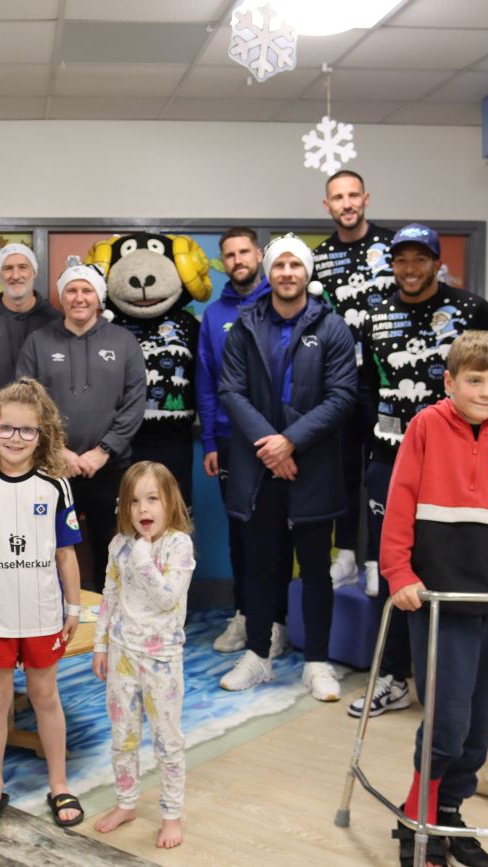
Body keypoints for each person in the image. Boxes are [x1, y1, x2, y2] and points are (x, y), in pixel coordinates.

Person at [381, 330, 488, 867]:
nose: (486, 392)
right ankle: (418, 818)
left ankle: (449, 812)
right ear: (450, 382)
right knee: (447, 721)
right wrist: (398, 572)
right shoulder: (426, 427)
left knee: (479, 724)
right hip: (434, 601)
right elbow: (400, 501)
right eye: (474, 381)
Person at [351, 223, 488, 721]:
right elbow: (362, 390)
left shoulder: (472, 310)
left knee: (455, 564)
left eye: (421, 259)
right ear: (391, 264)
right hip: (388, 461)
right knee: (392, 568)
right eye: (402, 259)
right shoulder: (374, 316)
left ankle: (455, 683)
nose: (411, 268)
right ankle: (394, 678)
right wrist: (370, 452)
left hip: (456, 465)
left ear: (437, 263)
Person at [217, 234, 356, 701]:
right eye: (280, 265)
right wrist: (272, 448)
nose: (288, 273)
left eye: (296, 265)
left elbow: (342, 396)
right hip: (260, 470)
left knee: (315, 568)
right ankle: (258, 655)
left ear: (307, 272)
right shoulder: (243, 326)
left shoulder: (332, 328)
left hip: (312, 467)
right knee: (260, 566)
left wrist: (291, 442)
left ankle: (317, 662)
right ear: (268, 271)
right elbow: (230, 392)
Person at [0, 378, 84, 829]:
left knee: (45, 695)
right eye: (6, 428)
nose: (16, 439)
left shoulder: (55, 486)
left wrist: (74, 609)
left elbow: (66, 555)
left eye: (27, 431)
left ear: (42, 435)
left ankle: (60, 785)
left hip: (43, 614)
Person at [16, 263, 146, 593]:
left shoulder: (124, 341)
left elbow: (134, 403)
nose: (79, 297)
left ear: (98, 297)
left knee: (114, 546)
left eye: (86, 290)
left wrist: (103, 452)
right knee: (48, 547)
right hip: (50, 467)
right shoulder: (37, 341)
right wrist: (59, 451)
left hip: (110, 467)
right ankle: (47, 615)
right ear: (62, 297)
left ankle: (114, 614)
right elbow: (26, 402)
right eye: (71, 290)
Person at [92, 461, 195, 850]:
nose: (143, 509)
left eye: (152, 499)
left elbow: (168, 598)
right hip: (122, 655)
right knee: (123, 736)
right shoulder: (119, 545)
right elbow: (110, 597)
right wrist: (101, 645)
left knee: (167, 740)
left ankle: (171, 814)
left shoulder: (178, 546)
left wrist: (144, 559)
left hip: (162, 659)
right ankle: (127, 803)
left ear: (170, 501)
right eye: (134, 501)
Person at [198, 227, 281, 656]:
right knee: (241, 534)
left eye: (244, 252)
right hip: (232, 442)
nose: (237, 260)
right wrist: (210, 439)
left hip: (282, 441)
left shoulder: (281, 302)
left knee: (280, 533)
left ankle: (279, 620)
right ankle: (246, 615)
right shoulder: (214, 315)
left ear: (259, 254)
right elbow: (208, 383)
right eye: (228, 254)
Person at [312, 171, 395, 589]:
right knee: (342, 471)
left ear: (366, 198)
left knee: (382, 472)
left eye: (352, 195)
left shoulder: (394, 246)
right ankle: (345, 553)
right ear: (326, 205)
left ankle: (378, 559)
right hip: (340, 383)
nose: (346, 203)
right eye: (337, 197)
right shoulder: (320, 256)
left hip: (389, 385)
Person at [0, 242, 60, 433]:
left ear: (34, 272)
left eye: (23, 267)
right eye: (7, 268)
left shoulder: (55, 320)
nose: (15, 275)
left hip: (43, 430)